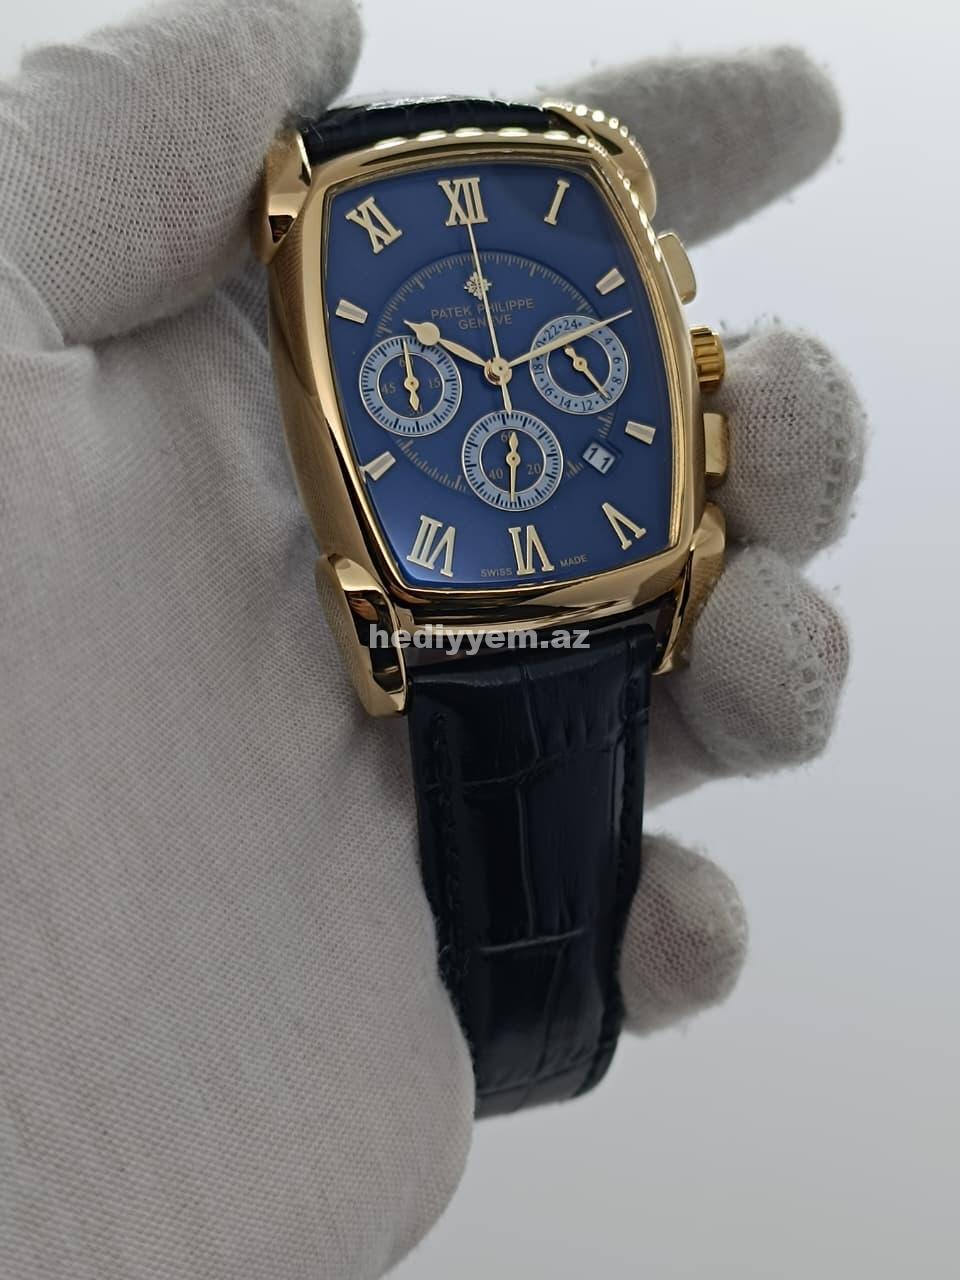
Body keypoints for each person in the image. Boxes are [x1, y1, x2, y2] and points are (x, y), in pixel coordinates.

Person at [0, 1, 865, 1275]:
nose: (507, 374)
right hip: (428, 610)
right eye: (469, 365)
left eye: (546, 357)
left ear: (686, 373)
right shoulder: (312, 210)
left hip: (587, 597)